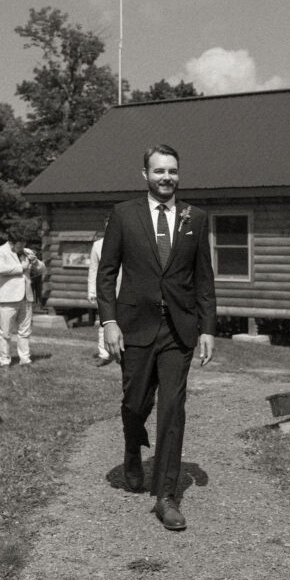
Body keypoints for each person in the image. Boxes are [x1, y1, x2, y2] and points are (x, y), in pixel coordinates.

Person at [97, 143, 217, 531]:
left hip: (178, 329)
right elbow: (106, 273)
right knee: (135, 404)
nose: (167, 177)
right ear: (145, 174)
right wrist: (109, 322)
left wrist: (208, 328)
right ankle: (133, 447)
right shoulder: (123, 215)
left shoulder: (195, 218)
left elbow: (204, 279)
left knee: (171, 409)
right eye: (159, 171)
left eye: (173, 171)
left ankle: (165, 496)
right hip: (134, 325)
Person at [0, 229, 46, 367]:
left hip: (26, 297)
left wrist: (35, 262)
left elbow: (42, 269)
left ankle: (25, 360)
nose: (22, 247)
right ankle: (4, 361)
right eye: (19, 245)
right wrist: (21, 267)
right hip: (8, 297)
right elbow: (0, 268)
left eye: (23, 244)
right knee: (5, 332)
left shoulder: (26, 251)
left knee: (25, 331)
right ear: (11, 242)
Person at [87, 215, 113, 366]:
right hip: (105, 290)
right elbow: (93, 269)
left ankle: (123, 352)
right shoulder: (98, 245)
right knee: (104, 322)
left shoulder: (128, 243)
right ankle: (104, 354)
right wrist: (91, 291)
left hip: (125, 289)